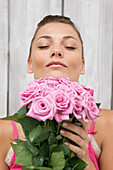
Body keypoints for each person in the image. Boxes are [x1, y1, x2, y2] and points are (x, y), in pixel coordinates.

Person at [0, 15, 113, 170]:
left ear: (82, 65)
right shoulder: (3, 132)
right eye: (44, 46)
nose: (57, 51)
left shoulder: (108, 124)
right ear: (29, 63)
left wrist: (85, 161)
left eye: (70, 46)